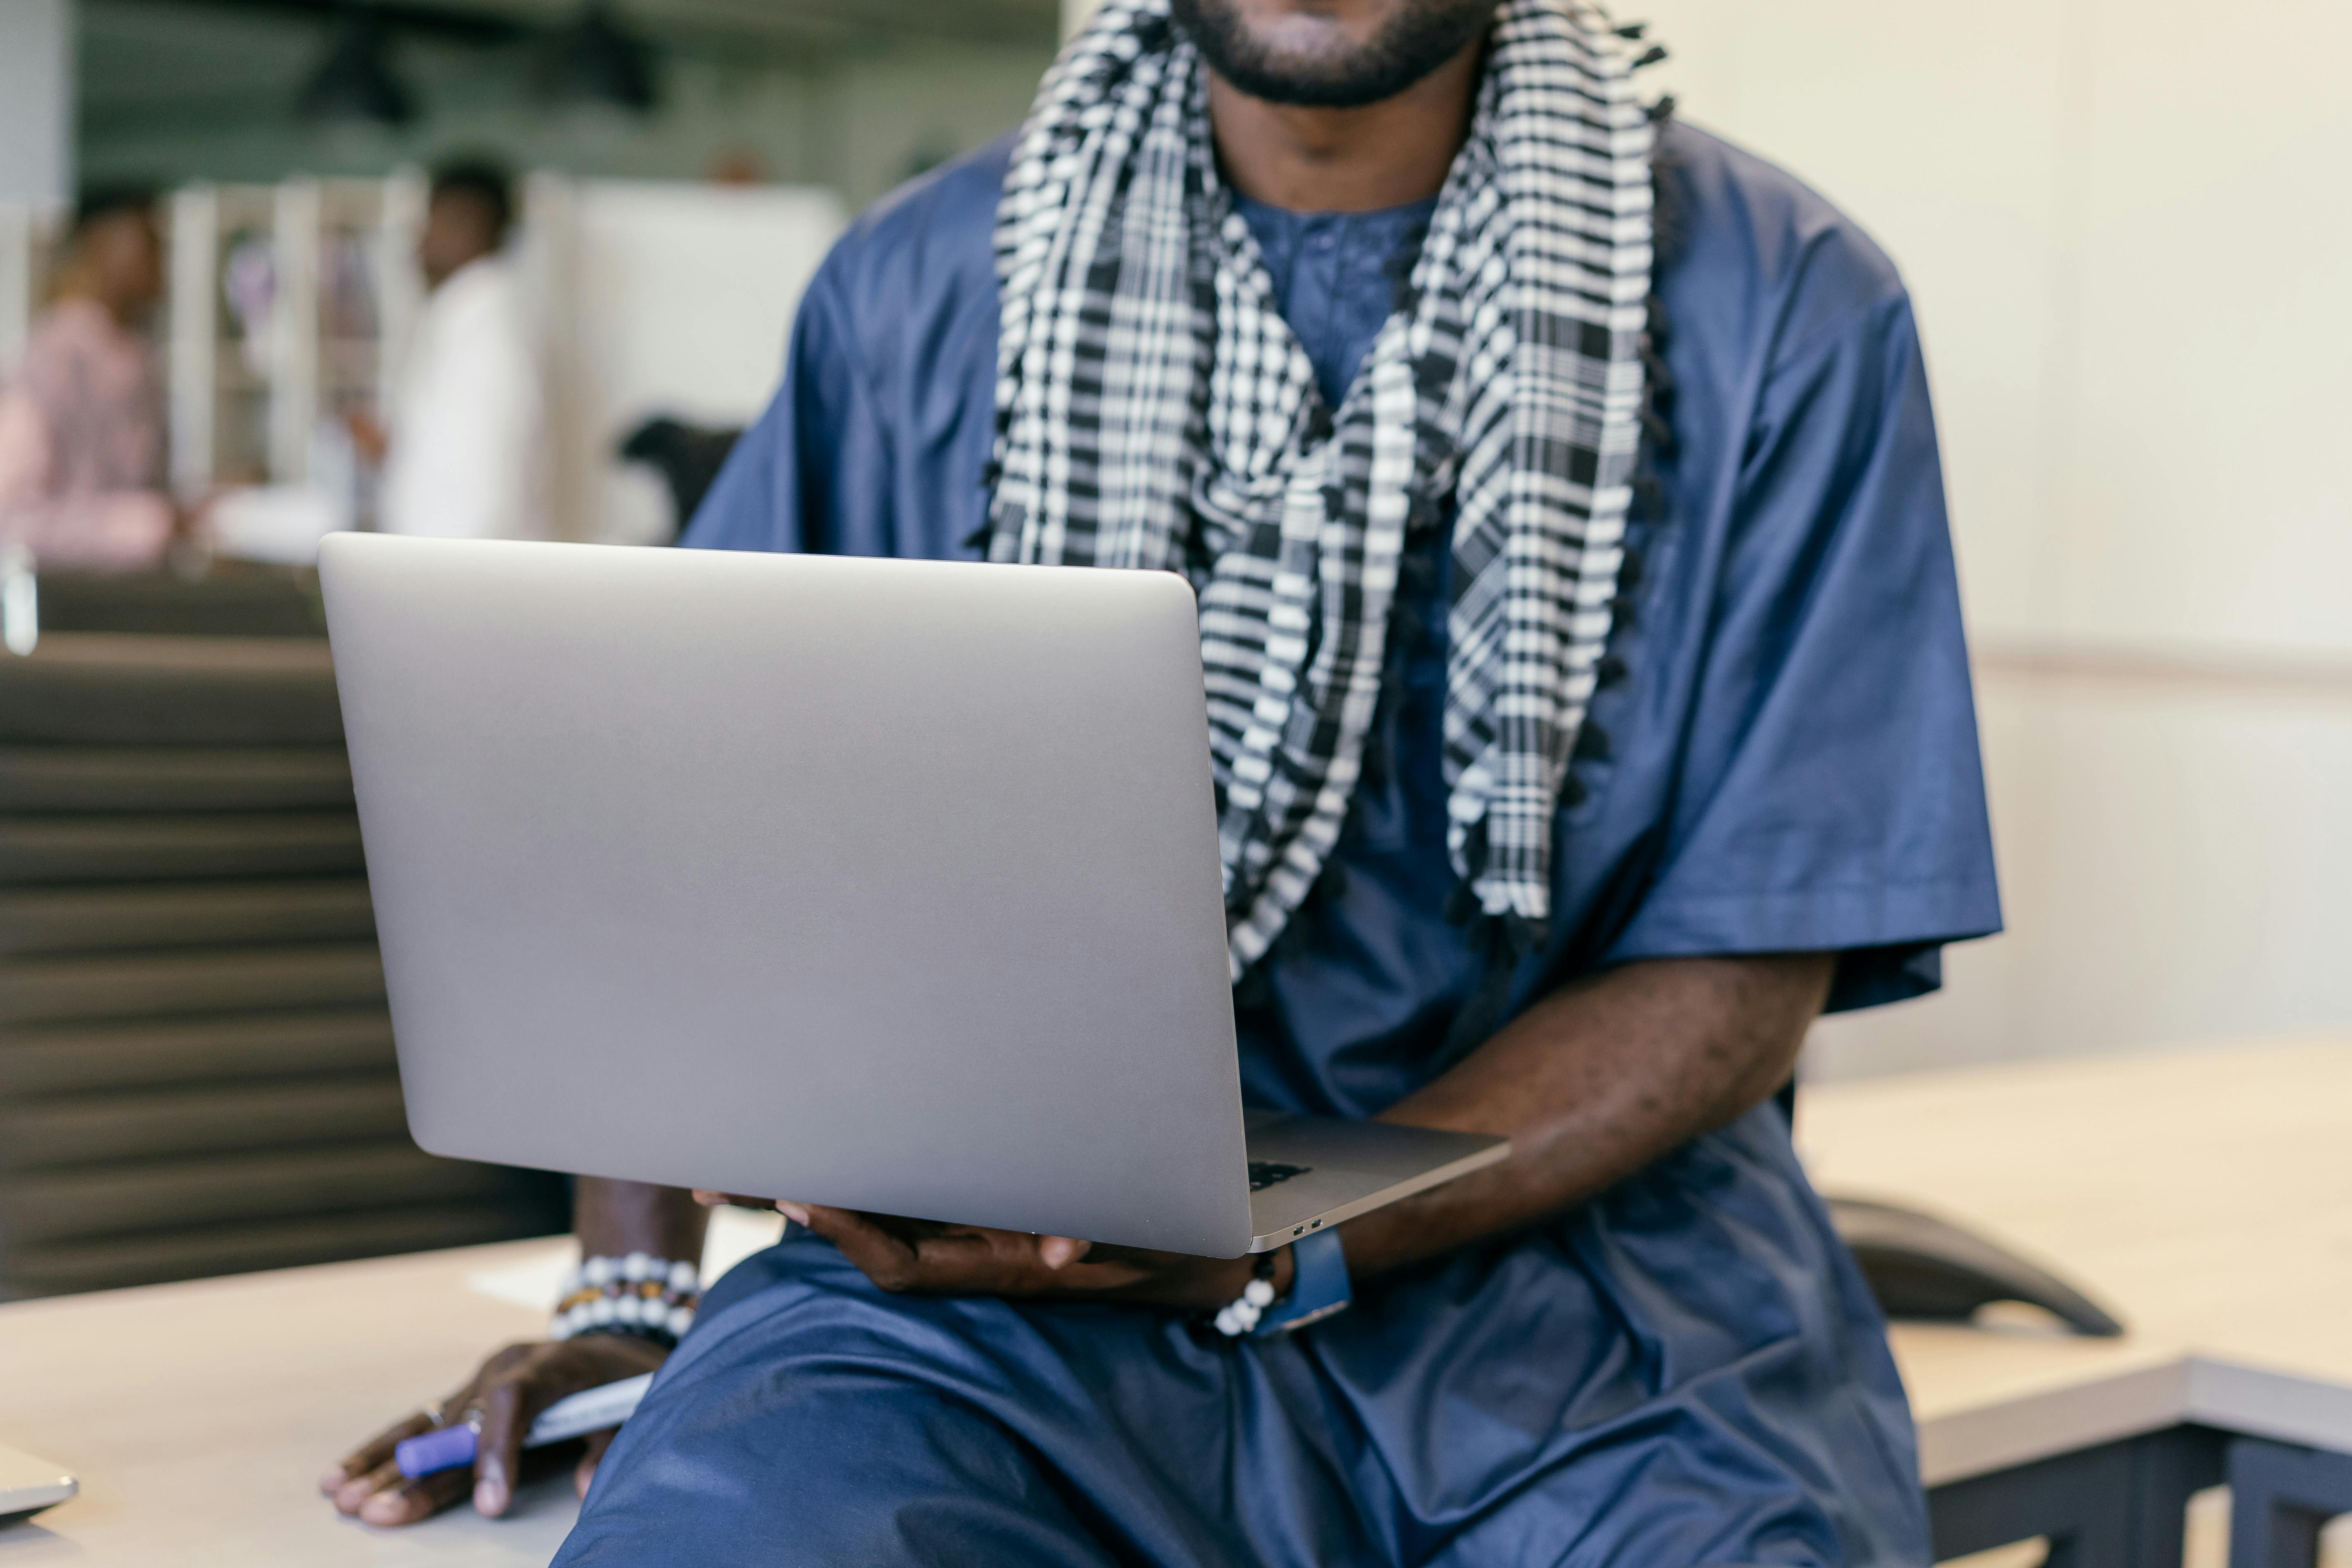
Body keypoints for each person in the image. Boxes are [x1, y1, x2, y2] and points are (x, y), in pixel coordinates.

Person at [323, 0, 2002, 1559]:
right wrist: (630, 1300)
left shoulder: (1787, 303)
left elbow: (1751, 951)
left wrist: (1269, 1229)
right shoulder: (920, 287)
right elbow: (691, 814)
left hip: (1606, 1325)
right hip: (1010, 1301)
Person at [355, 158, 549, 542]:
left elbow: (492, 481)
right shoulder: (460, 319)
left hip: (463, 574)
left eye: (431, 221)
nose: (420, 240)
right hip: (448, 568)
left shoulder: (491, 332)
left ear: (469, 223)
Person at [0, 190, 179, 571]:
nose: (164, 261)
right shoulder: (55, 356)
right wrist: (147, 525)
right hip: (70, 609)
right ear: (103, 242)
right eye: (149, 243)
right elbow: (12, 515)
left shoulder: (135, 355)